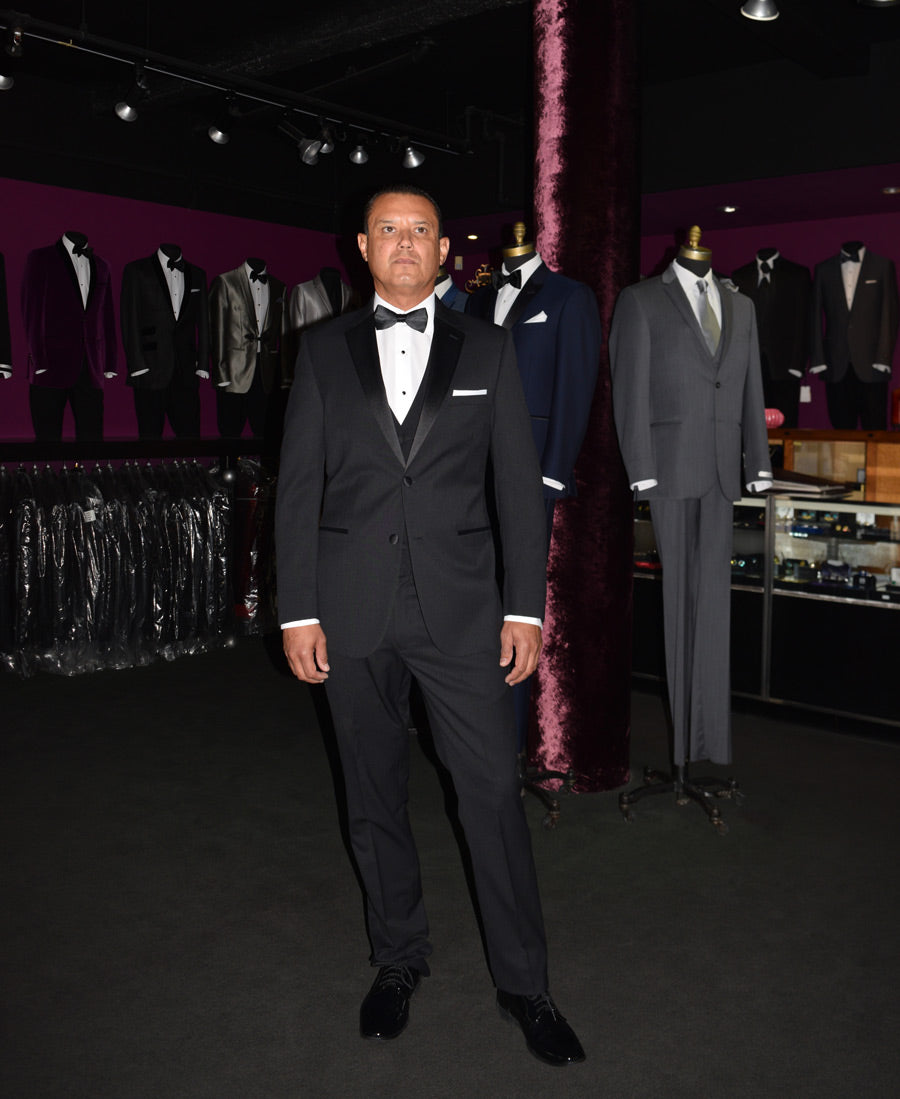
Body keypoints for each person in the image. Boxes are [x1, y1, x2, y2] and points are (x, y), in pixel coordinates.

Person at [275, 184, 585, 1067]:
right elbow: (298, 490)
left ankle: (527, 983)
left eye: (421, 231)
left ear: (445, 251)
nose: (405, 244)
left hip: (463, 615)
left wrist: (525, 604)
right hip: (349, 610)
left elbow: (519, 490)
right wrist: (298, 608)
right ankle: (399, 958)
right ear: (362, 249)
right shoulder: (323, 349)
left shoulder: (488, 346)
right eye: (388, 231)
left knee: (491, 796)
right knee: (372, 798)